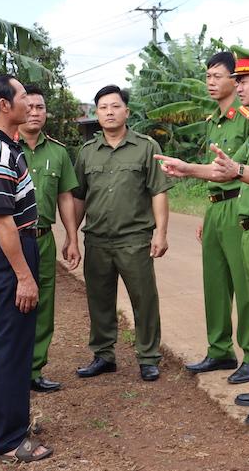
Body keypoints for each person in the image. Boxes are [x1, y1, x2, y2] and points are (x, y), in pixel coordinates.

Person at [154, 46, 249, 426]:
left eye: (243, 79)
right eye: (235, 80)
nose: (237, 86)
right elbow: (225, 171)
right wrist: (188, 169)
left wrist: (238, 169)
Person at [0, 74, 52, 462]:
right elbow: (3, 221)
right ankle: (9, 440)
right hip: (11, 252)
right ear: (4, 105)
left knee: (5, 343)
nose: (28, 102)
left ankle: (0, 425)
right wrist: (23, 275)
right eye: (22, 97)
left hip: (4, 251)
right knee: (13, 347)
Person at [72, 85, 175, 382]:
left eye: (115, 106)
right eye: (103, 107)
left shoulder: (146, 147)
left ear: (126, 112)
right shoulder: (87, 153)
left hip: (134, 239)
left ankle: (148, 357)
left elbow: (158, 191)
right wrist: (71, 237)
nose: (109, 112)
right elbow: (79, 197)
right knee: (99, 300)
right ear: (96, 113)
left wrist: (161, 234)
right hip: (97, 239)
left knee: (144, 299)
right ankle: (103, 356)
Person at [184, 51, 249, 385]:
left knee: (243, 284)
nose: (211, 82)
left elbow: (236, 170)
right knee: (214, 283)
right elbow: (213, 177)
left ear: (236, 79)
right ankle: (219, 350)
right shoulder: (211, 122)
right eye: (208, 77)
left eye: (218, 76)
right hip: (216, 206)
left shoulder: (247, 118)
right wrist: (207, 211)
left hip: (239, 204)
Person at [18, 85, 82, 393]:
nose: (34, 112)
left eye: (40, 107)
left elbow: (65, 197)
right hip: (11, 240)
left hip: (43, 239)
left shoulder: (58, 152)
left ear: (47, 112)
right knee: (12, 305)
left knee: (43, 307)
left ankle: (33, 370)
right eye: (28, 106)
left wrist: (72, 238)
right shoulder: (5, 147)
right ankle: (11, 370)